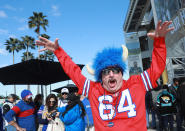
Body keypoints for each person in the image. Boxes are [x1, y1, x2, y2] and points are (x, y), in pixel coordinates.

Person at [36, 20, 174, 130]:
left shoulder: (136, 83)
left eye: (115, 70)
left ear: (121, 73)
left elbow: (157, 68)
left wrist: (160, 41)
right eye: (106, 72)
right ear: (101, 77)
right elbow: (74, 72)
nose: (111, 74)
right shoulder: (94, 89)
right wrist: (58, 52)